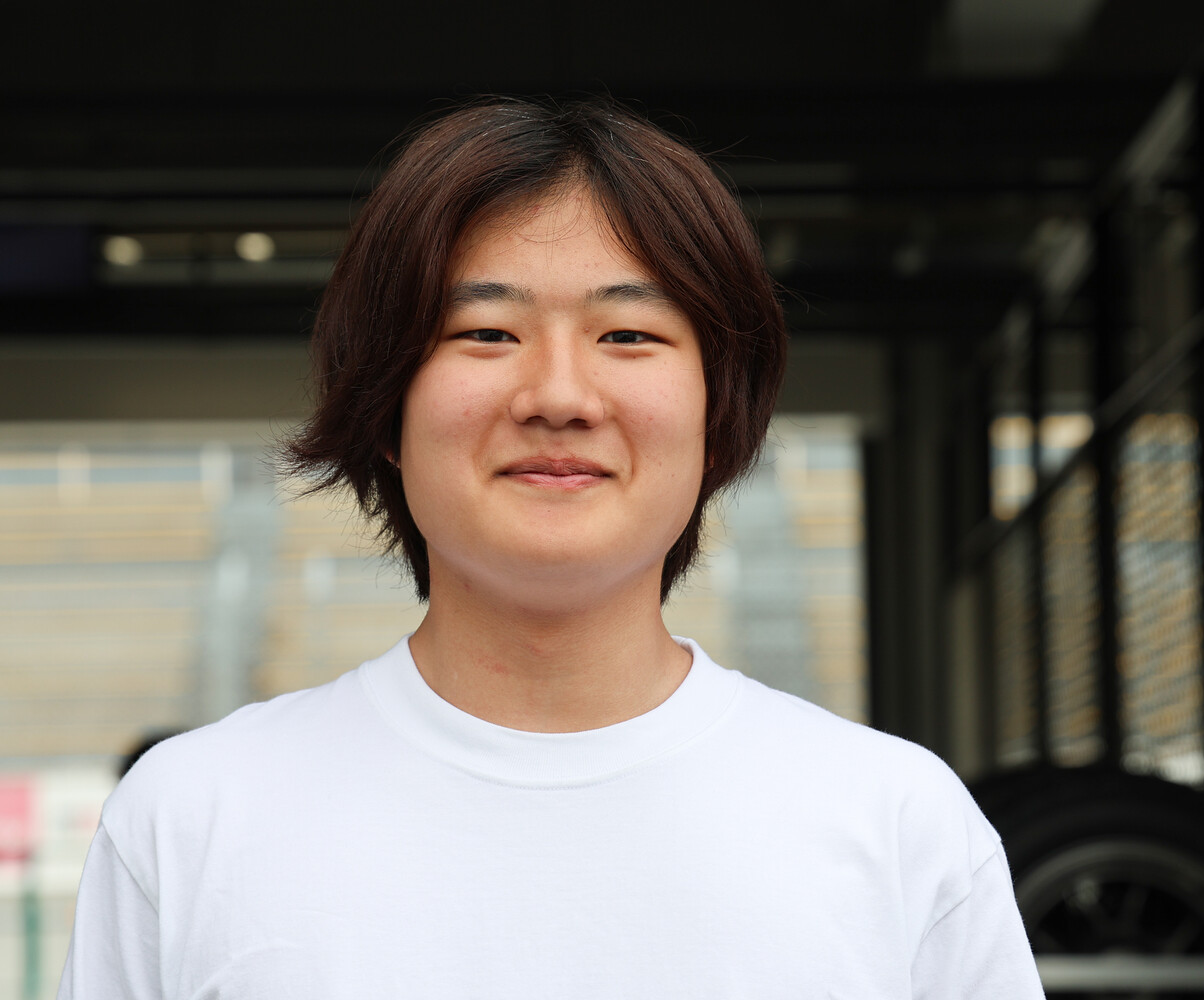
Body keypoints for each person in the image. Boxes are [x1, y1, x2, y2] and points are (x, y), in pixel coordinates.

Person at [57, 97, 1044, 999]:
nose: (561, 396)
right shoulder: (192, 820)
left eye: (628, 335)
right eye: (487, 332)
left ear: (718, 413)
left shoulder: (898, 825)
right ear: (387, 408)